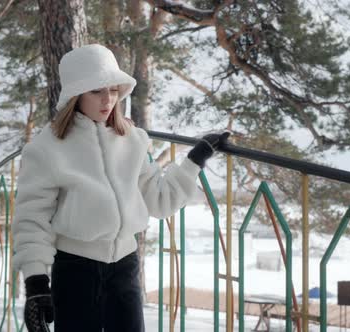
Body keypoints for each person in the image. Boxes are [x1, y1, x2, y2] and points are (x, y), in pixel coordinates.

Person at [12, 44, 229, 332]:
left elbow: (159, 200)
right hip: (76, 271)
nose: (108, 99)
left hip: (125, 269)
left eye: (114, 90)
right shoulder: (46, 148)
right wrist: (36, 283)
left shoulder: (132, 140)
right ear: (76, 94)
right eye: (96, 91)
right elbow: (32, 219)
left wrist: (194, 160)